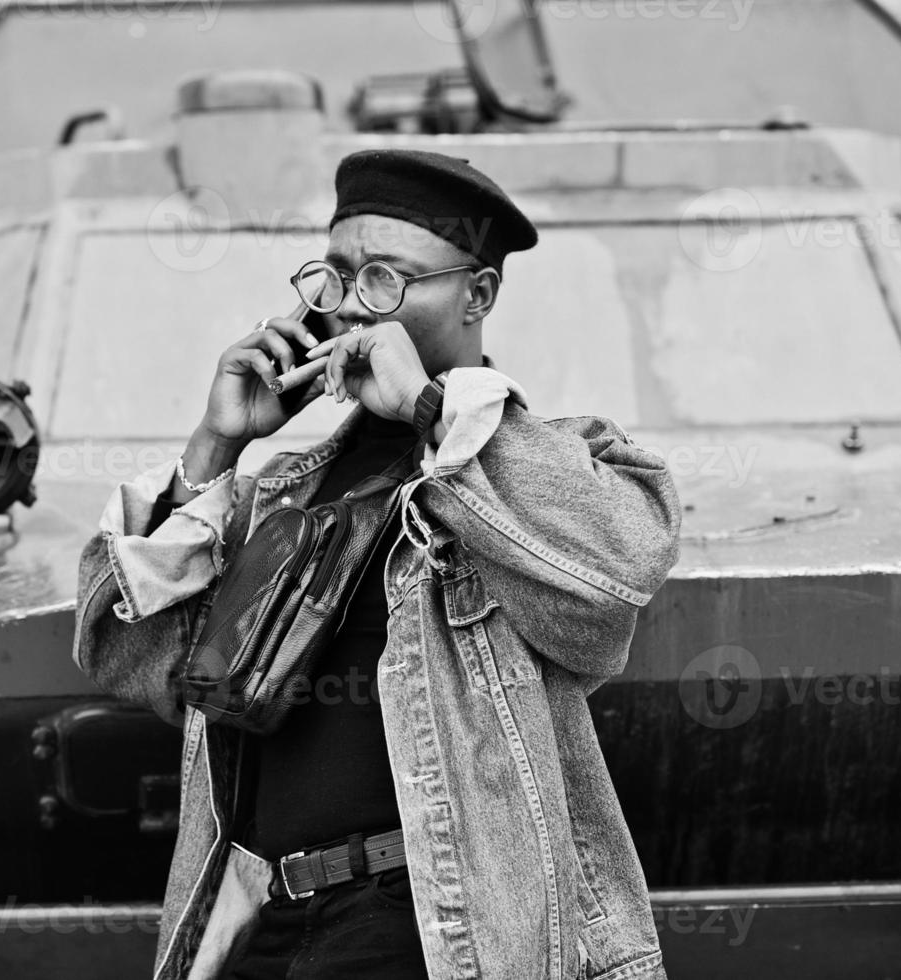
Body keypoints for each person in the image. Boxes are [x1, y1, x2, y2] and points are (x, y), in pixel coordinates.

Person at [73, 148, 681, 980]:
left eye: (388, 278)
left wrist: (430, 408)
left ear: (477, 294)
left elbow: (615, 574)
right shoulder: (286, 488)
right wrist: (214, 448)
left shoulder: (546, 465)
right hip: (259, 919)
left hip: (428, 926)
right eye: (340, 274)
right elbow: (132, 661)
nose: (354, 306)